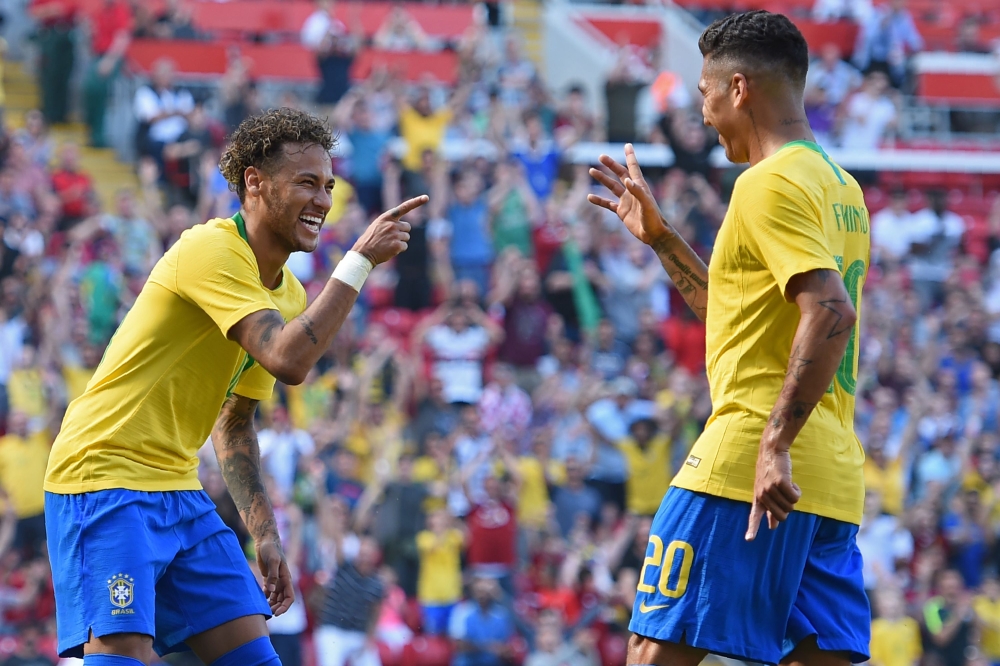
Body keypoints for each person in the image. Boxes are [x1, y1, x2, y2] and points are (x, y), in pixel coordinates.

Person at [42, 108, 427, 665]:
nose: (323, 200)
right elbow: (288, 359)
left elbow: (235, 419)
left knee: (252, 656)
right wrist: (360, 260)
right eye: (307, 182)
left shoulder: (289, 294)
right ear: (255, 182)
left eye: (329, 186)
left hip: (178, 488)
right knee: (122, 653)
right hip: (103, 476)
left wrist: (263, 532)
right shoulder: (212, 249)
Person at [588, 11, 871, 665]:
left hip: (749, 463)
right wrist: (664, 241)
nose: (704, 113)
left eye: (704, 93)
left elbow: (831, 311)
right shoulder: (843, 189)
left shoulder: (764, 183)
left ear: (738, 88)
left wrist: (774, 444)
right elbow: (741, 317)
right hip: (832, 480)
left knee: (653, 651)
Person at [314, 537, 386, 666]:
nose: (364, 558)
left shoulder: (377, 584)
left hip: (358, 634)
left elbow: (375, 613)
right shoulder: (344, 567)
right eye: (362, 554)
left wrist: (370, 638)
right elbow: (337, 542)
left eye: (368, 555)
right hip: (333, 630)